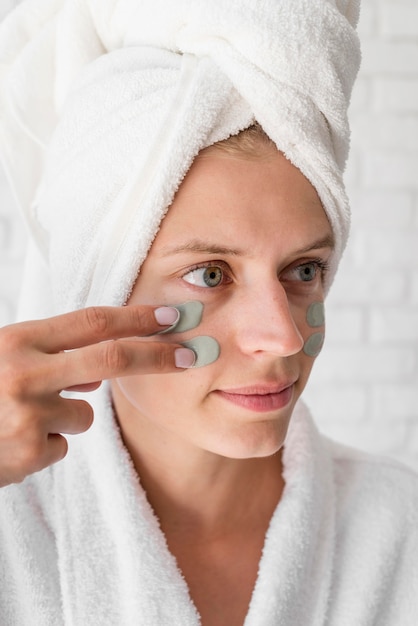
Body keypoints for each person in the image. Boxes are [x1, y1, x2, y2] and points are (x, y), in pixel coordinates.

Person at [0, 1, 417, 625]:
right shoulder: (11, 525)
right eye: (210, 275)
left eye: (304, 270)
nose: (281, 338)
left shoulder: (401, 530)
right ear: (97, 288)